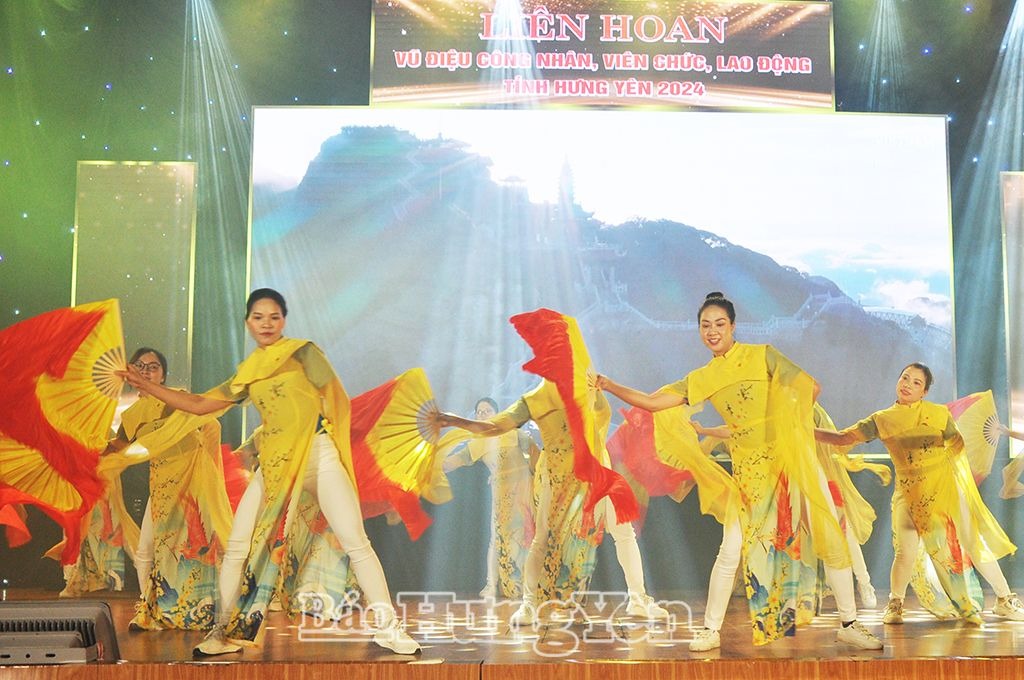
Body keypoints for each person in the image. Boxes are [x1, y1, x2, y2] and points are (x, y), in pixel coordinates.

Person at [119, 288, 419, 655]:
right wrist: (147, 386)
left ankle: (389, 628)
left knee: (356, 541)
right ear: (248, 323)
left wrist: (329, 436)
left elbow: (334, 398)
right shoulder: (248, 372)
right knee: (237, 547)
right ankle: (224, 632)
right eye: (258, 317)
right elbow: (198, 404)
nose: (266, 323)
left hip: (317, 456)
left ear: (283, 321)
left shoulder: (303, 353)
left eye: (273, 317)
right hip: (275, 466)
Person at [597, 292, 882, 651]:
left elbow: (811, 388)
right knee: (730, 549)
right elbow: (653, 403)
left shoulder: (763, 355)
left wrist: (782, 425)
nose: (712, 331)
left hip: (791, 463)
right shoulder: (703, 377)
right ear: (699, 331)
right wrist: (610, 385)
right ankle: (710, 629)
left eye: (720, 324)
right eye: (705, 325)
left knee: (830, 537)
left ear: (733, 326)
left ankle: (849, 624)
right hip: (749, 473)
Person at [434, 380, 670, 625]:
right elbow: (496, 426)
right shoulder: (536, 398)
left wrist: (602, 386)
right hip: (558, 475)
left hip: (597, 470)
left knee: (624, 533)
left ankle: (638, 598)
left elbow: (603, 414)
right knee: (542, 539)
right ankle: (529, 604)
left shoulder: (587, 385)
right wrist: (455, 421)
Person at [815, 362, 1024, 625]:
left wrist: (948, 473)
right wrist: (803, 430)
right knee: (906, 552)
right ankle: (895, 603)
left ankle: (1004, 599)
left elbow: (957, 445)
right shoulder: (881, 419)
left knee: (973, 543)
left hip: (945, 490)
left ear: (924, 392)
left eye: (916, 382)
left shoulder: (939, 414)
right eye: (905, 378)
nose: (908, 385)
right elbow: (842, 438)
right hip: (908, 494)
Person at [100, 347, 235, 630]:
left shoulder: (178, 399)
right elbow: (117, 450)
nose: (146, 371)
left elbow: (210, 423)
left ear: (162, 375)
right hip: (162, 489)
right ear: (130, 372)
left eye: (153, 367)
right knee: (145, 552)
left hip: (192, 487)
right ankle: (150, 613)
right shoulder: (132, 416)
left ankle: (216, 613)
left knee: (205, 547)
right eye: (140, 366)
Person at [442, 397, 538, 599]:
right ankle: (491, 585)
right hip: (500, 494)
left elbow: (535, 457)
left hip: (523, 490)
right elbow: (455, 461)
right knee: (496, 539)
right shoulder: (477, 443)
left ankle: (532, 585)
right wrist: (433, 464)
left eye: (487, 411)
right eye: (479, 412)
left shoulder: (514, 434)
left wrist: (539, 481)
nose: (483, 415)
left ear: (498, 414)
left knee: (528, 535)